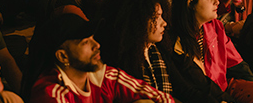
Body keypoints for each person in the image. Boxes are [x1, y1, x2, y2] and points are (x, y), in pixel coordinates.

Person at [97, 0, 236, 103]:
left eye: (163, 16)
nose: (164, 23)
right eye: (156, 17)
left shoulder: (157, 50)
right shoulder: (124, 59)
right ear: (137, 21)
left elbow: (184, 88)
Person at [25, 13, 174, 103]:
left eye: (93, 38)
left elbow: (161, 97)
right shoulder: (51, 95)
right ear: (63, 56)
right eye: (85, 42)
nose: (96, 45)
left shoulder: (103, 76)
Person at [171, 0, 253, 103]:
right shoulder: (176, 39)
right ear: (191, 4)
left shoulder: (215, 27)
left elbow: (236, 63)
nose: (217, 2)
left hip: (224, 87)